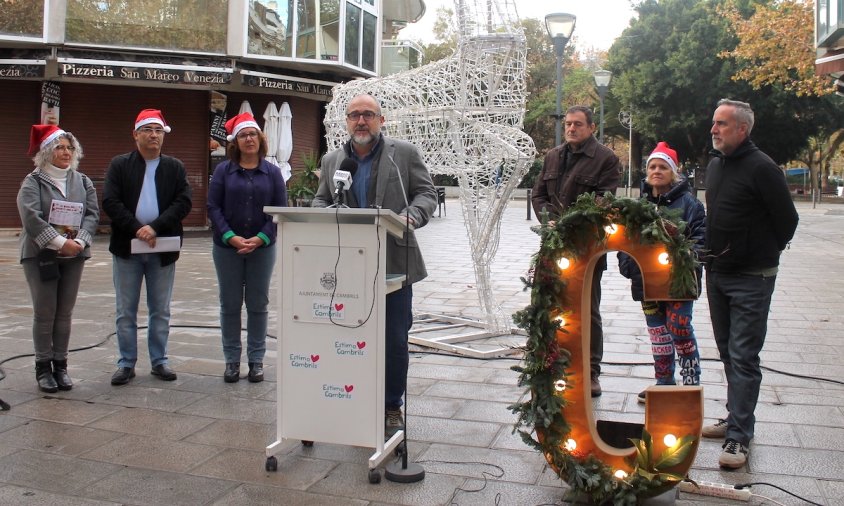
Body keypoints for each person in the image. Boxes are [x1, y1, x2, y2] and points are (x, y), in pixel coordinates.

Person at [312, 93, 437, 437]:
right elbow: (321, 198)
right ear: (347, 122)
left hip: (395, 261)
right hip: (349, 267)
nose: (361, 121)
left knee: (394, 339)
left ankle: (391, 405)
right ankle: (354, 398)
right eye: (354, 115)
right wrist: (328, 214)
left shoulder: (404, 155)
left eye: (368, 114)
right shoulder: (332, 160)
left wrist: (411, 216)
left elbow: (427, 193)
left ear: (381, 120)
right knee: (348, 334)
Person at [702, 99, 798, 469]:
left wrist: (758, 254)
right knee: (728, 352)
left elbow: (787, 221)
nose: (714, 129)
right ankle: (735, 417)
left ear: (742, 130)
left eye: (722, 124)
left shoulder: (763, 168)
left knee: (743, 356)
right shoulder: (715, 166)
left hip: (751, 278)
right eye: (714, 123)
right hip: (718, 275)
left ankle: (739, 437)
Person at [531, 105, 622, 397]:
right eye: (568, 124)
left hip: (587, 249)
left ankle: (591, 371)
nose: (571, 128)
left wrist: (570, 224)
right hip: (552, 244)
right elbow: (538, 194)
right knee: (548, 306)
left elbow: (603, 200)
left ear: (591, 127)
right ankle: (549, 364)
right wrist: (550, 220)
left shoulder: (605, 159)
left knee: (586, 310)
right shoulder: (553, 156)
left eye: (578, 124)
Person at [102, 109, 192, 386]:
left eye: (158, 130)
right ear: (135, 134)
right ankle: (126, 362)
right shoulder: (120, 164)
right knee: (125, 309)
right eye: (148, 130)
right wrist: (136, 228)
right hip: (128, 247)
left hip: (161, 246)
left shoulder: (174, 167)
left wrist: (154, 227)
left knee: (160, 309)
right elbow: (110, 201)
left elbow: (183, 202)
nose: (154, 135)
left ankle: (159, 360)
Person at [617, 142, 705, 402]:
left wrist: (688, 257)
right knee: (657, 332)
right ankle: (664, 381)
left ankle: (690, 385)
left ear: (673, 172)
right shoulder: (638, 205)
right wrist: (629, 267)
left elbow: (700, 239)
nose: (657, 171)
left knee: (679, 328)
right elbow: (624, 241)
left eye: (663, 167)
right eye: (652, 166)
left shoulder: (690, 205)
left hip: (678, 282)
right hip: (646, 281)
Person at [17, 124, 99, 392]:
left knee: (64, 312)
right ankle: (43, 367)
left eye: (69, 147)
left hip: (74, 253)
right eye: (59, 147)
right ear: (46, 151)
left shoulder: (82, 181)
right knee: (45, 311)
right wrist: (59, 243)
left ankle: (61, 366)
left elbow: (92, 214)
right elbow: (31, 217)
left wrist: (79, 242)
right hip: (41, 254)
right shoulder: (33, 182)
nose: (66, 152)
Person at [207, 112, 288, 383]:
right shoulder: (223, 171)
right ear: (235, 142)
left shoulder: (273, 172)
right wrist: (230, 236)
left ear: (261, 139)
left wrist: (261, 238)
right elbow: (213, 207)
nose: (249, 139)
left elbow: (280, 211)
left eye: (253, 134)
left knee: (258, 304)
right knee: (229, 304)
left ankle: (256, 360)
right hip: (226, 247)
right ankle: (231, 360)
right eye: (243, 135)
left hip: (262, 248)